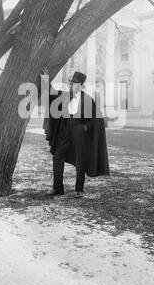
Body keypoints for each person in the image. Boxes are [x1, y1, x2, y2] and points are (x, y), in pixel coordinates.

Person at [42, 67, 110, 198]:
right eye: (71, 83)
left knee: (80, 160)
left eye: (74, 83)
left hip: (79, 131)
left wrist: (85, 128)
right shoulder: (65, 96)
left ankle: (79, 190)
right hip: (66, 130)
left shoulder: (87, 99)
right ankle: (58, 188)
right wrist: (46, 79)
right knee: (57, 156)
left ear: (81, 85)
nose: (71, 85)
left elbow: (98, 118)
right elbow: (51, 93)